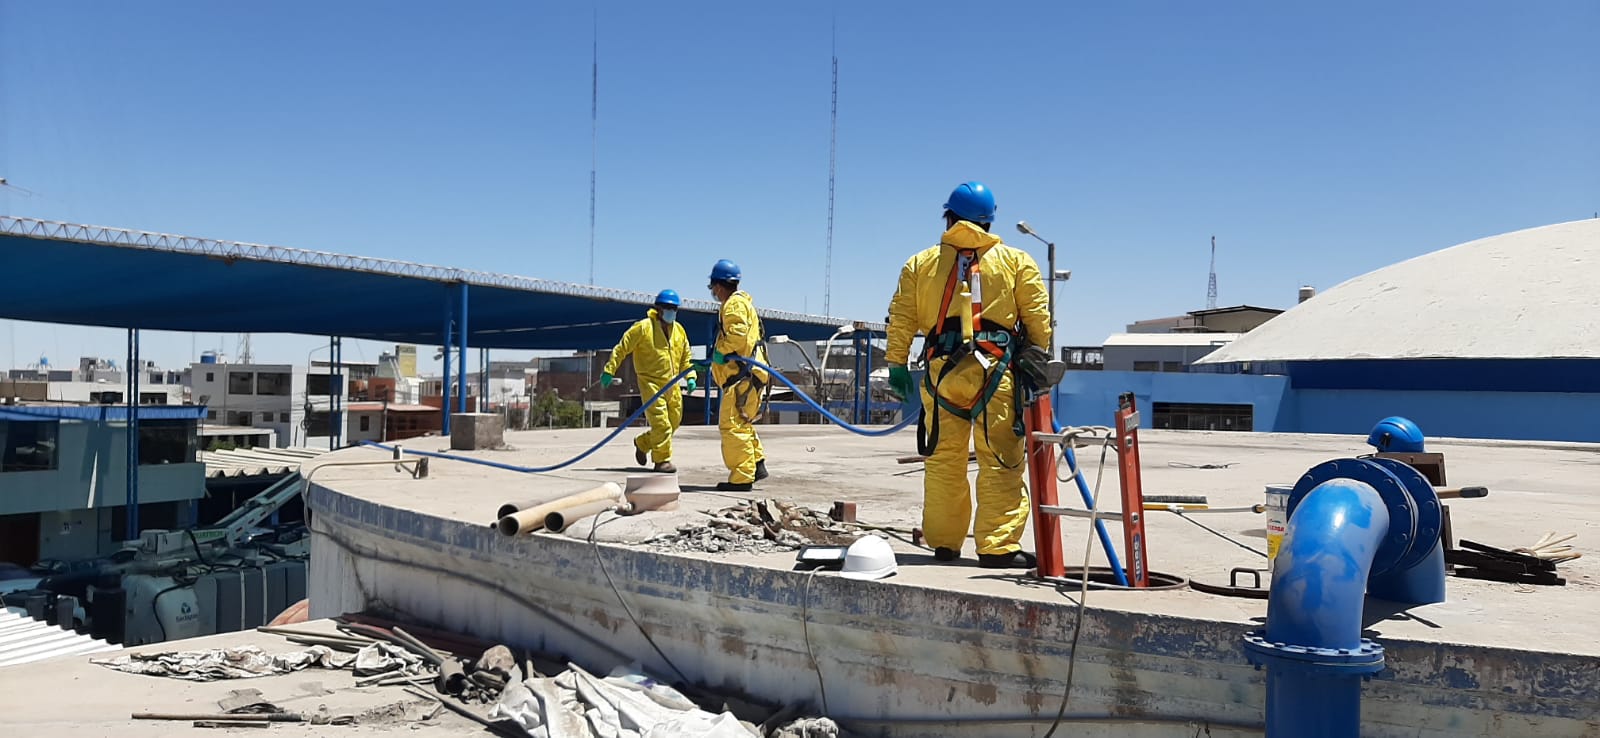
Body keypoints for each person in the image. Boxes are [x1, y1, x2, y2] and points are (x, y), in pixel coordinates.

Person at [885, 181, 1052, 569]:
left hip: (942, 373)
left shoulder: (920, 264)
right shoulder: (1016, 261)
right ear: (990, 221)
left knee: (944, 461)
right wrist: (1038, 359)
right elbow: (1037, 318)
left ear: (948, 215)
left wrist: (896, 363)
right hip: (996, 373)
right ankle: (997, 547)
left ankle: (945, 543)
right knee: (1001, 460)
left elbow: (902, 318)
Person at [601, 289, 695, 473]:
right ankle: (662, 461)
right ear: (658, 309)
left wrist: (690, 377)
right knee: (662, 424)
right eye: (668, 308)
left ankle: (642, 443)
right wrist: (609, 370)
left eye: (674, 308)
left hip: (673, 384)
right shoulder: (643, 328)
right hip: (651, 383)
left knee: (673, 423)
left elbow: (686, 356)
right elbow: (622, 348)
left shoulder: (679, 330)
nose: (672, 312)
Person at [707, 259, 770, 492]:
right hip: (750, 375)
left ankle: (742, 478)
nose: (714, 292)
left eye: (714, 288)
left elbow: (738, 335)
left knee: (732, 426)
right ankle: (756, 464)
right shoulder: (744, 303)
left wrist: (721, 353)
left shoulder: (733, 304)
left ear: (719, 286)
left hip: (742, 377)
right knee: (743, 423)